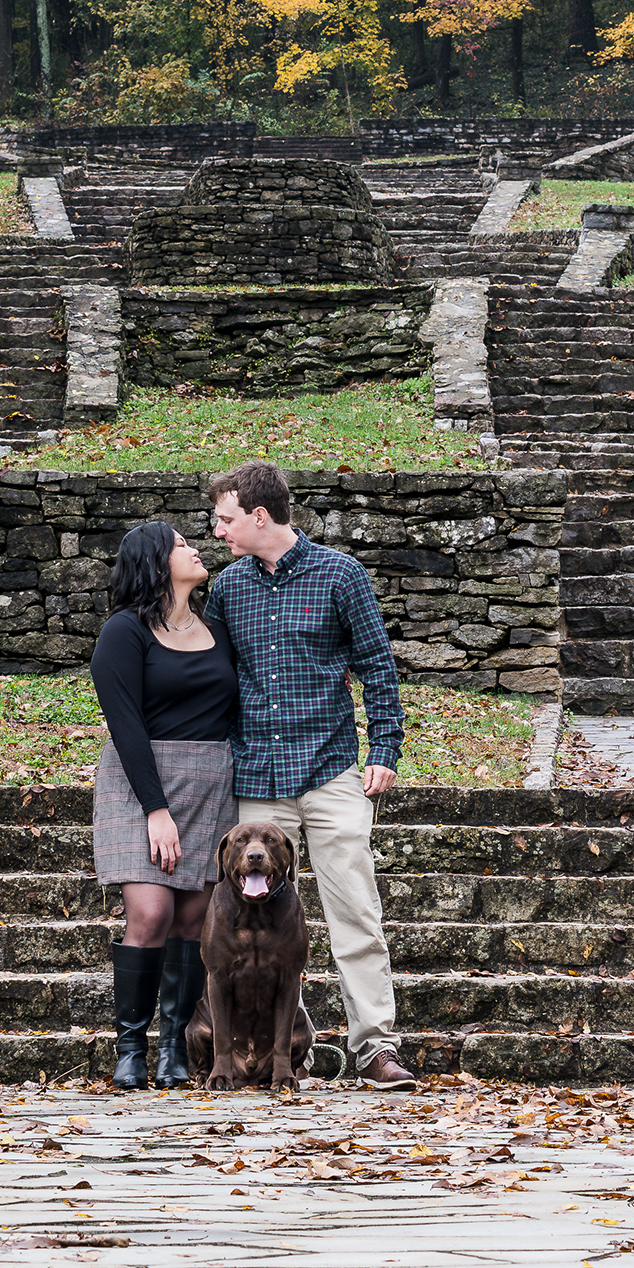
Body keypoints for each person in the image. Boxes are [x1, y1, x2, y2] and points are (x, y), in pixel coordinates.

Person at [197, 459, 414, 1090]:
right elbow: (213, 676)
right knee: (250, 922)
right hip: (258, 780)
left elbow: (377, 665)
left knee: (355, 914)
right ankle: (286, 1048)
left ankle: (375, 1047)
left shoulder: (340, 575)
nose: (218, 531)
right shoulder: (228, 589)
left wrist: (385, 747)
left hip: (330, 770)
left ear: (260, 516)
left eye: (226, 519)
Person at [90, 518, 234, 1090]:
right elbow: (125, 726)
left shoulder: (217, 627)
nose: (195, 549)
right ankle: (130, 1048)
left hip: (210, 783)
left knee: (194, 920)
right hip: (140, 783)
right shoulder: (124, 631)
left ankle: (174, 1047)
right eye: (181, 545)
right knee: (151, 914)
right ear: (154, 562)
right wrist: (155, 809)